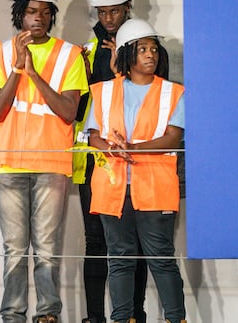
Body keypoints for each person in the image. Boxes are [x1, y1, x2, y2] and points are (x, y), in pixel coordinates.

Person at [0, 0, 88, 323]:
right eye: (31, 11)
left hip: (52, 166)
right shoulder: (0, 52)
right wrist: (17, 69)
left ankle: (47, 314)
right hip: (10, 166)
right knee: (13, 250)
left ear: (51, 15)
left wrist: (35, 74)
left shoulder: (70, 55)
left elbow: (69, 113)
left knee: (46, 249)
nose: (38, 18)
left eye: (44, 12)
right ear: (19, 15)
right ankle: (12, 315)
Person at [85, 19, 186, 323]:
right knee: (119, 260)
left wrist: (132, 149)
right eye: (142, 49)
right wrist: (110, 147)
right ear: (128, 54)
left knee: (161, 260)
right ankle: (122, 319)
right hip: (113, 187)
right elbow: (93, 136)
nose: (150, 55)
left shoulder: (173, 92)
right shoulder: (103, 91)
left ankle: (175, 318)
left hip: (155, 187)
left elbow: (172, 137)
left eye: (154, 49)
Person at [74, 0, 148, 323]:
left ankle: (134, 314)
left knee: (134, 243)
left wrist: (121, 69)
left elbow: (148, 101)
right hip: (96, 159)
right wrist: (90, 76)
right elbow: (79, 109)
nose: (107, 19)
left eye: (114, 11)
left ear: (127, 8)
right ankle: (94, 317)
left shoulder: (147, 50)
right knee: (96, 242)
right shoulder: (85, 51)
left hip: (135, 159)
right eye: (102, 12)